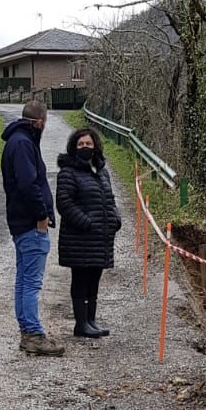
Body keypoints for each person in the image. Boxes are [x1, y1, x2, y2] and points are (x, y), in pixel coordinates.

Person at [0, 100, 64, 356]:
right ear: (39, 122)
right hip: (29, 223)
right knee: (31, 283)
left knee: (23, 280)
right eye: (45, 123)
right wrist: (41, 215)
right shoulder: (24, 144)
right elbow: (28, 184)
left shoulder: (15, 141)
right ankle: (33, 334)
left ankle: (28, 332)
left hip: (19, 221)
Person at [55, 127, 121, 338]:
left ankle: (91, 321)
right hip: (79, 238)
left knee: (94, 280)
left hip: (100, 238)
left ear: (95, 146)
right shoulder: (68, 172)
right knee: (81, 280)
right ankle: (80, 324)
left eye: (88, 144)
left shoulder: (102, 172)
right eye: (81, 144)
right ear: (74, 147)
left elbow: (110, 200)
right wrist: (86, 222)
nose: (85, 147)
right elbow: (64, 203)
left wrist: (115, 219)